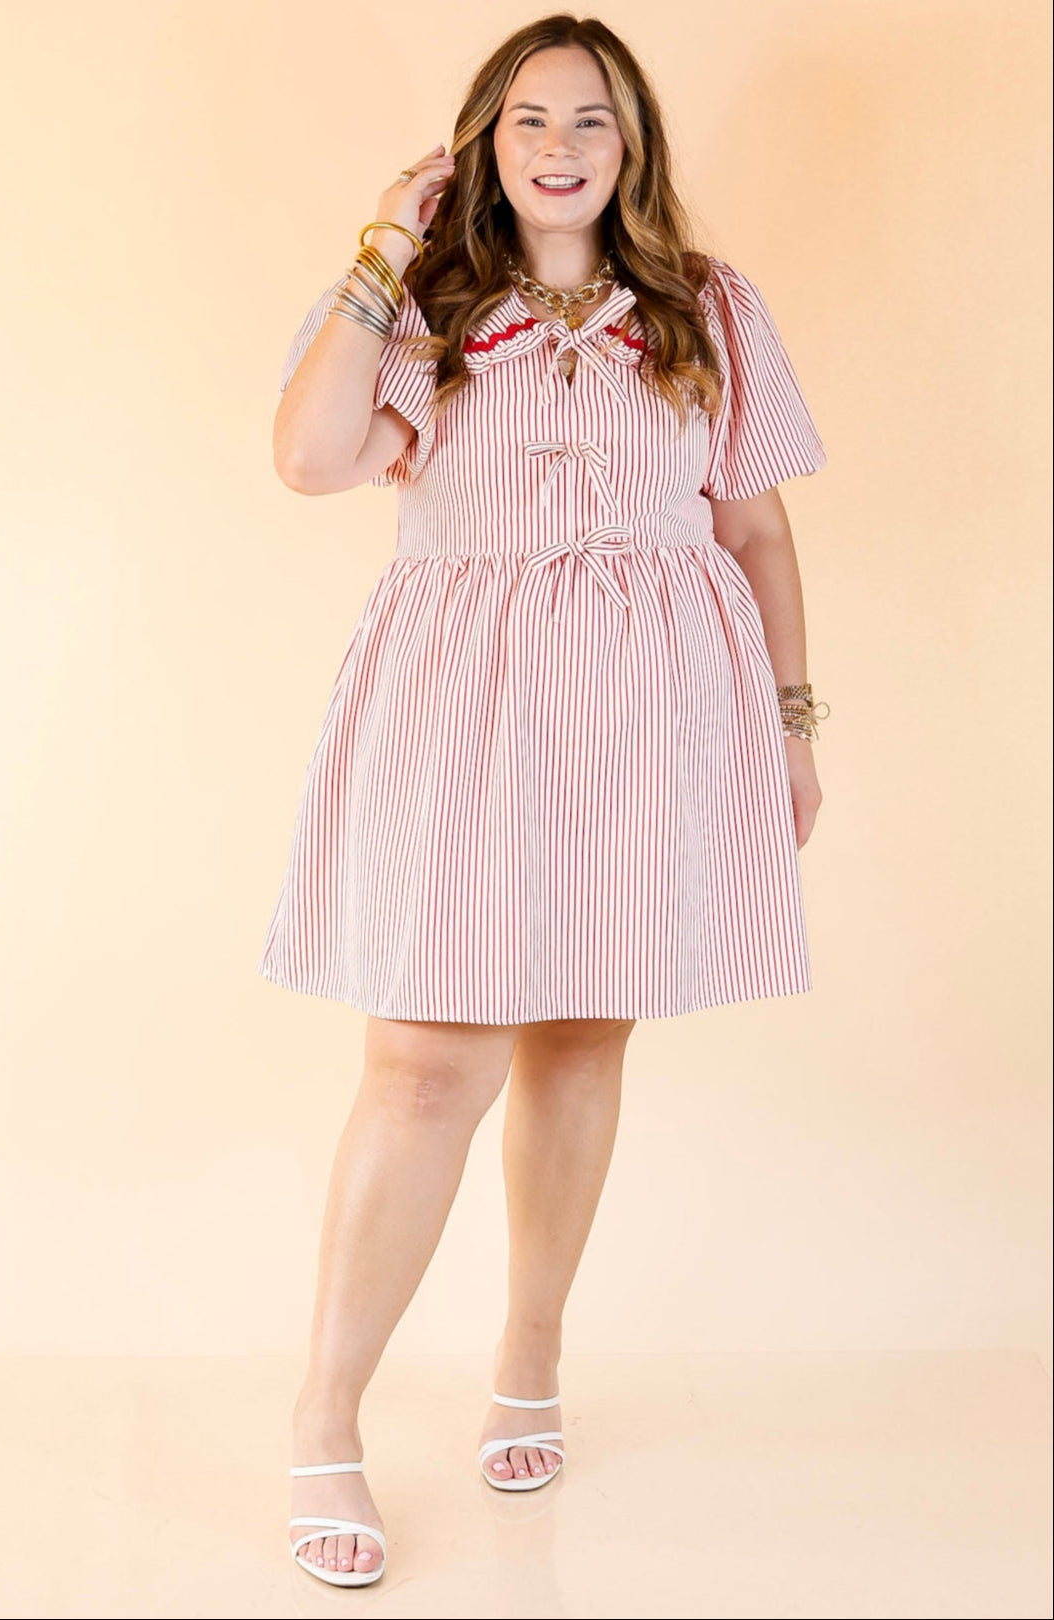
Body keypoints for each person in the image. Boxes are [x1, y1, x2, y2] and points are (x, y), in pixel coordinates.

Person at [260, 14, 830, 1589]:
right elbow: (311, 459)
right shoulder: (426, 306)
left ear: (632, 143)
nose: (563, 142)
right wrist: (386, 240)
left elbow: (760, 534)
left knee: (586, 1027)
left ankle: (532, 1347)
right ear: (482, 144)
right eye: (530, 119)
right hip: (463, 709)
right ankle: (325, 1416)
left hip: (651, 712)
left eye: (595, 116)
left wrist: (788, 724)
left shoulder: (708, 310)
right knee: (425, 1062)